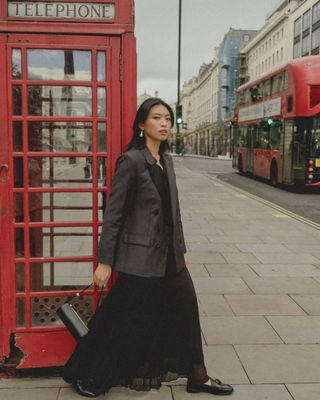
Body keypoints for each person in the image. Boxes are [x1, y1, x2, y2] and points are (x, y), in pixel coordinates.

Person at [61, 98, 234, 398]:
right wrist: (105, 261)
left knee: (187, 312)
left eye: (168, 118)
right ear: (142, 125)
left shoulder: (166, 161)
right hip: (139, 259)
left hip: (170, 259)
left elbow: (173, 212)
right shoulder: (132, 161)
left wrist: (181, 249)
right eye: (157, 118)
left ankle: (198, 376)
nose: (164, 123)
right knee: (122, 319)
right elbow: (113, 215)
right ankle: (90, 374)